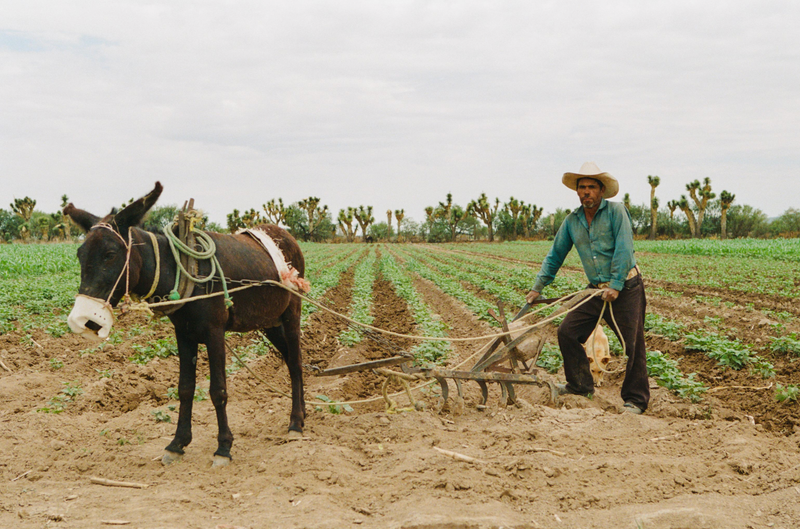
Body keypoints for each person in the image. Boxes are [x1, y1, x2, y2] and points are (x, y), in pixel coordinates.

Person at [526, 162, 649, 414]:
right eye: (582, 187)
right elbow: (555, 255)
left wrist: (616, 284)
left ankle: (636, 399)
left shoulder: (617, 212)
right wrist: (537, 287)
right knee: (568, 331)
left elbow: (624, 249)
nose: (586, 192)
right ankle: (580, 385)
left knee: (632, 344)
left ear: (601, 190)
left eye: (591, 187)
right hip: (595, 290)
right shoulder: (572, 221)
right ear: (577, 191)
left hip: (625, 286)